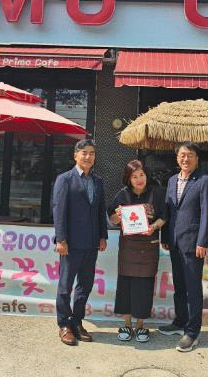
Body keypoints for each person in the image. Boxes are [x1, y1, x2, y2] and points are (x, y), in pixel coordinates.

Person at [159, 141, 208, 352]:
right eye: (182, 155)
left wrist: (202, 241)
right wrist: (166, 236)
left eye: (190, 155)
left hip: (193, 243)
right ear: (177, 158)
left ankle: (192, 331)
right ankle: (180, 321)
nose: (186, 159)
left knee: (192, 288)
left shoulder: (204, 181)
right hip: (175, 241)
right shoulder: (172, 180)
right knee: (179, 286)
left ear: (197, 159)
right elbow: (168, 210)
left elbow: (207, 213)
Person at [52, 139, 108, 346]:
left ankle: (77, 322)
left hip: (91, 243)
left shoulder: (98, 181)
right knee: (65, 286)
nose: (88, 157)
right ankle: (64, 325)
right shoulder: (65, 179)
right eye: (84, 153)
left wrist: (103, 236)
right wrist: (61, 239)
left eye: (92, 153)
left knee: (85, 286)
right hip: (71, 243)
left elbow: (100, 210)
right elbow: (58, 211)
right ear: (75, 155)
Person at [108, 160, 166, 343]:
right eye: (134, 177)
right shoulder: (122, 195)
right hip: (128, 247)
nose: (139, 179)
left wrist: (154, 226)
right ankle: (126, 324)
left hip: (148, 246)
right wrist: (117, 217)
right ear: (128, 178)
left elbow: (164, 216)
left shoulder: (156, 193)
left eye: (142, 175)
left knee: (144, 286)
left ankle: (141, 325)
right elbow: (111, 217)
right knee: (125, 284)